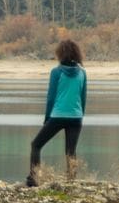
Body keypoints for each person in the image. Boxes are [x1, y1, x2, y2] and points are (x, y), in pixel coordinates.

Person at [26, 39, 87, 186]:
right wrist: (80, 116)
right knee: (70, 151)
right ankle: (71, 181)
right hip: (76, 117)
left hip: (58, 115)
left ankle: (34, 179)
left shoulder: (56, 72)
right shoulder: (82, 73)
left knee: (36, 145)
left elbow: (51, 97)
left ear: (60, 54)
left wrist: (47, 118)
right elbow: (83, 97)